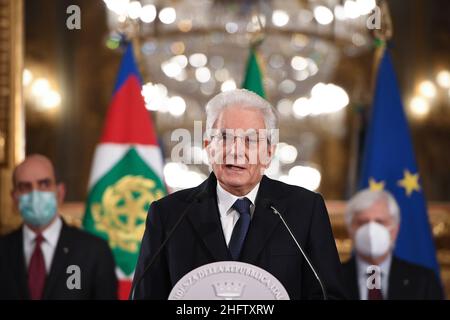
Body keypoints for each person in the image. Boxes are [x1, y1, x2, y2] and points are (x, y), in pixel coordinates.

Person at [132, 89, 346, 299]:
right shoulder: (169, 214)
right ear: (208, 147)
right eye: (224, 138)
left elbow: (329, 295)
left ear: (269, 153)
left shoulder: (305, 210)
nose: (236, 150)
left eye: (250, 140)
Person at [0, 154, 117, 299]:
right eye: (25, 187)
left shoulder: (94, 251)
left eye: (44, 184)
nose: (35, 194)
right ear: (14, 198)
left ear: (60, 192)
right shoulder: (3, 250)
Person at [341, 189, 444, 300]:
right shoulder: (332, 279)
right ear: (350, 230)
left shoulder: (424, 281)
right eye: (363, 222)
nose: (371, 230)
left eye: (380, 222)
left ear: (395, 229)